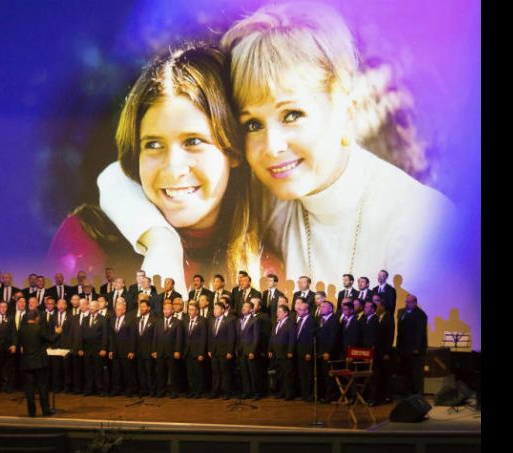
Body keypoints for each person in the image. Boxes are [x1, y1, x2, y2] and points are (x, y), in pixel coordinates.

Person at [98, 1, 454, 300]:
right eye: (252, 123)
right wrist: (161, 241)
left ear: (348, 110)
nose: (272, 147)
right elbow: (117, 179)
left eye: (292, 115)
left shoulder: (421, 225)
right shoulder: (272, 186)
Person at [49, 43, 280, 292]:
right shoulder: (85, 242)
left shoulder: (265, 271)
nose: (172, 169)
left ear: (233, 150)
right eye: (154, 145)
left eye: (193, 142)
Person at [16, 310, 62, 417]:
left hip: (26, 363)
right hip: (39, 363)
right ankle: (45, 411)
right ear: (37, 318)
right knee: (43, 387)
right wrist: (57, 333)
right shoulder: (39, 328)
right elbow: (50, 340)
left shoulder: (21, 330)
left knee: (29, 389)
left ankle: (31, 412)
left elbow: (20, 343)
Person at [396, 294, 427, 395]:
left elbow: (420, 333)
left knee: (416, 374)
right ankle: (407, 395)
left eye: (409, 302)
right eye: (406, 302)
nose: (406, 304)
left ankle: (418, 395)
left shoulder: (420, 314)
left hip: (415, 350)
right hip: (403, 348)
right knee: (406, 373)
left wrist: (416, 348)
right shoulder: (402, 312)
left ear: (415, 303)